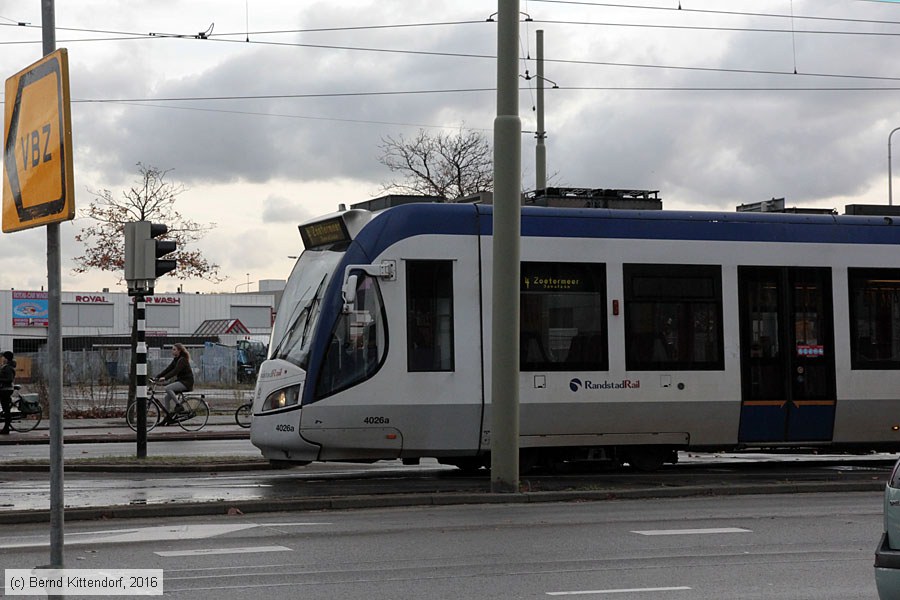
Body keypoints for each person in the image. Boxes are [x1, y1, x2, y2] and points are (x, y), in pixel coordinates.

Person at [154, 343, 194, 417]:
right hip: (181, 381)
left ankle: (179, 405)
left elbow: (175, 371)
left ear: (179, 351)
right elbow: (168, 369)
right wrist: (157, 377)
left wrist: (165, 378)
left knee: (167, 388)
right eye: (172, 349)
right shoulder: (176, 360)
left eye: (174, 349)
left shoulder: (182, 360)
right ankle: (167, 417)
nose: (172, 351)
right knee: (166, 398)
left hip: (186, 383)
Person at [0, 351, 16, 434]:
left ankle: (6, 428)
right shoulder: (6, 366)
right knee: (6, 409)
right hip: (4, 389)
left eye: (3, 357)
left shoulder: (8, 368)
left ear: (6, 358)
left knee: (6, 410)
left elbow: (9, 379)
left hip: (6, 390)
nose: (2, 359)